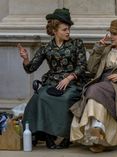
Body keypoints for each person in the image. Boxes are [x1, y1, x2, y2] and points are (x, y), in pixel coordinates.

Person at [70, 19, 117, 153]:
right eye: (110, 33)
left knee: (93, 89)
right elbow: (91, 69)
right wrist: (98, 50)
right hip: (102, 84)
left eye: (115, 34)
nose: (111, 36)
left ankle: (96, 127)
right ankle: (98, 134)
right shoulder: (105, 50)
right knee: (96, 93)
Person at [18, 8, 87, 149]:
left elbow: (82, 66)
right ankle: (46, 136)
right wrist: (25, 59)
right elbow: (30, 68)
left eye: (68, 29)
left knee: (65, 99)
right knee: (40, 97)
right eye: (64, 29)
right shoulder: (46, 48)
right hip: (52, 82)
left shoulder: (77, 44)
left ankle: (66, 137)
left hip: (73, 82)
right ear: (54, 30)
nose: (68, 32)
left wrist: (69, 78)